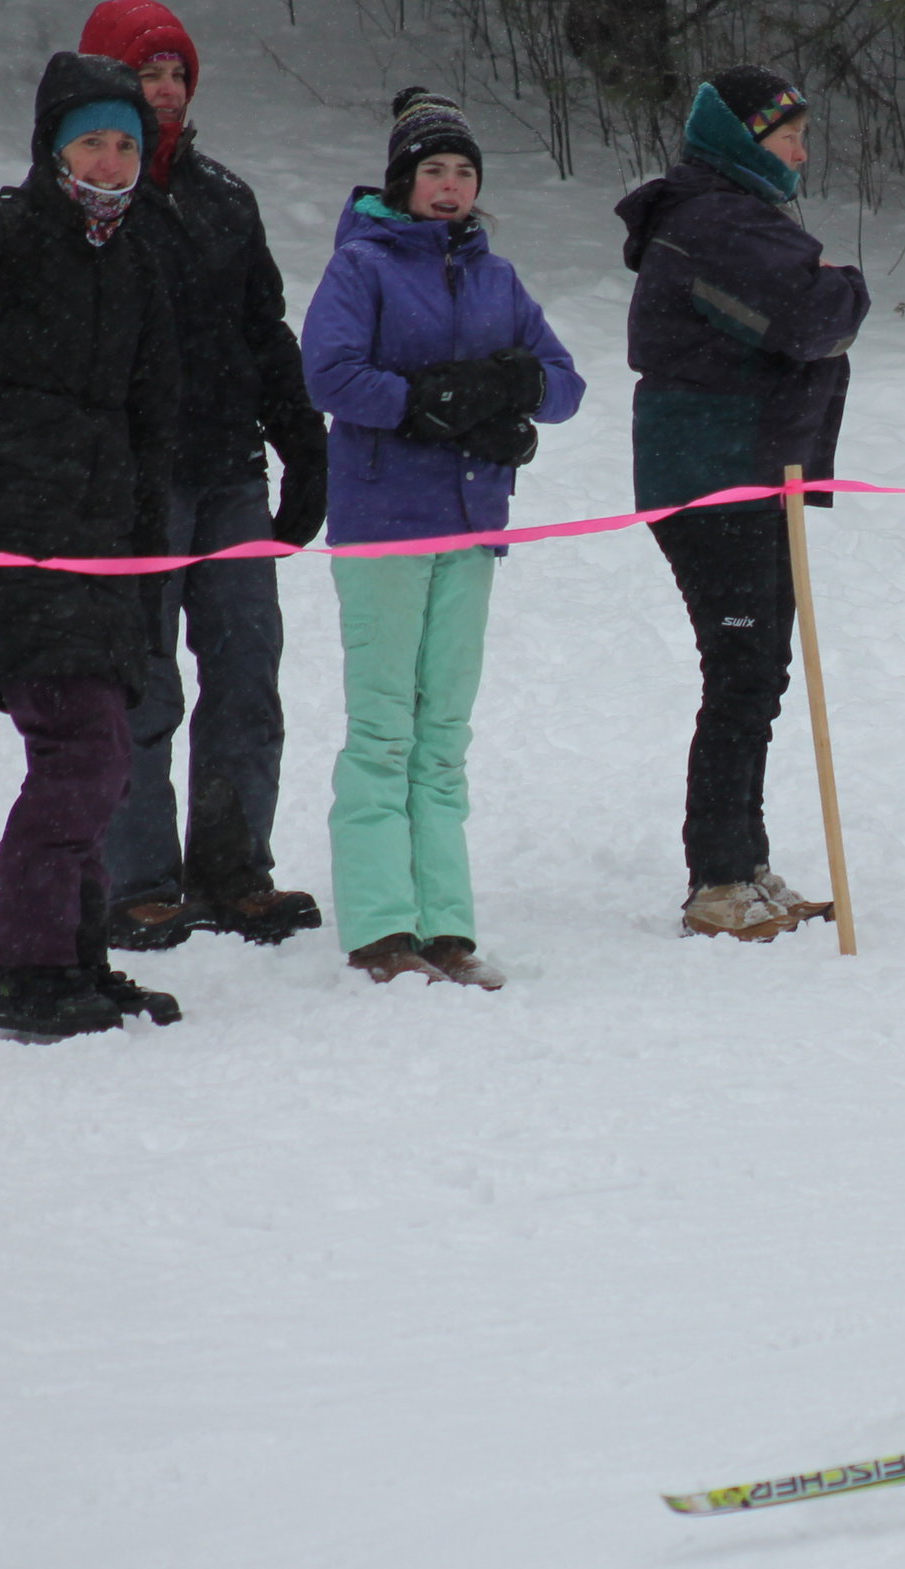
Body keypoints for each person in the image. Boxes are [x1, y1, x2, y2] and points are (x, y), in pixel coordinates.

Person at [0, 52, 183, 1040]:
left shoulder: (139, 256)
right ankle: (21, 967)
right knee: (86, 750)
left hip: (107, 538)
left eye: (125, 144)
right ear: (53, 148)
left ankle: (73, 952)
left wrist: (150, 540)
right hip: (9, 533)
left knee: (99, 746)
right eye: (91, 143)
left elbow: (153, 413)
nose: (109, 162)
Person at [299, 88, 583, 988]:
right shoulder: (363, 265)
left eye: (464, 172)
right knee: (383, 726)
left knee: (444, 730)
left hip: (471, 527)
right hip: (384, 523)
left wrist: (511, 390)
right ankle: (384, 925)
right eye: (434, 171)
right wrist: (422, 404)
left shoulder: (497, 278)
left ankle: (446, 924)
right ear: (404, 182)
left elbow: (566, 382)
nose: (451, 186)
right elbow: (329, 372)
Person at [79, 0, 331, 953]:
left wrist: (304, 438)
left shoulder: (224, 195)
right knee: (142, 685)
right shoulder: (94, 200)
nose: (169, 90)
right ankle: (138, 879)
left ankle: (234, 867)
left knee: (245, 674)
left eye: (179, 73)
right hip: (134, 484)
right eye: (150, 72)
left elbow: (263, 330)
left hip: (231, 471)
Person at [617, 66, 869, 941]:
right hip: (712, 474)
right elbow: (810, 322)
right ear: (741, 139)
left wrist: (825, 283)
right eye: (787, 136)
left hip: (755, 471)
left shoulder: (743, 216)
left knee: (759, 673)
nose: (802, 153)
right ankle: (717, 878)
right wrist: (847, 284)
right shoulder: (715, 220)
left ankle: (744, 862)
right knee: (741, 673)